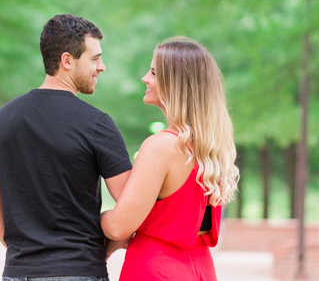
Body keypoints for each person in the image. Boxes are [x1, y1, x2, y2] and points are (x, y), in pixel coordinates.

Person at [0, 14, 133, 281]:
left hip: (18, 272)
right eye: (95, 58)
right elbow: (131, 209)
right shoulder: (97, 124)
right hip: (79, 270)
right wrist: (101, 251)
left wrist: (24, 253)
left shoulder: (0, 120)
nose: (102, 67)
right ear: (67, 61)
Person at [100, 37, 238, 281]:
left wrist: (95, 217)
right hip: (201, 269)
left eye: (153, 72)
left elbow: (119, 226)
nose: (145, 78)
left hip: (156, 268)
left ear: (176, 83)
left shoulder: (161, 146)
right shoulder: (213, 148)